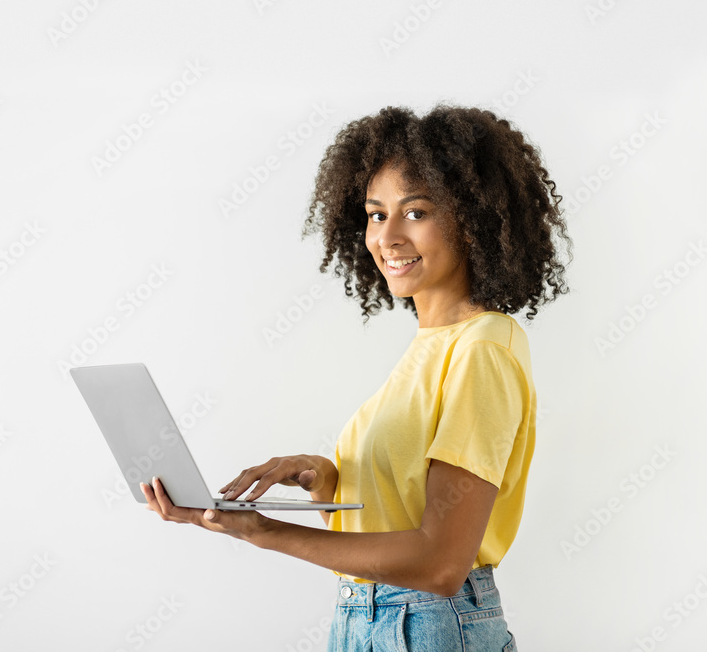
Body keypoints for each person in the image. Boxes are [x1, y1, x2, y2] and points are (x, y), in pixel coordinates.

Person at [140, 104, 572, 651]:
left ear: (472, 217)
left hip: (428, 622)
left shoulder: (482, 349)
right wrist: (320, 476)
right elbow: (399, 505)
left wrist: (266, 532)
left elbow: (440, 563)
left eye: (415, 212)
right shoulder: (433, 346)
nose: (387, 236)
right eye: (375, 213)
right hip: (371, 620)